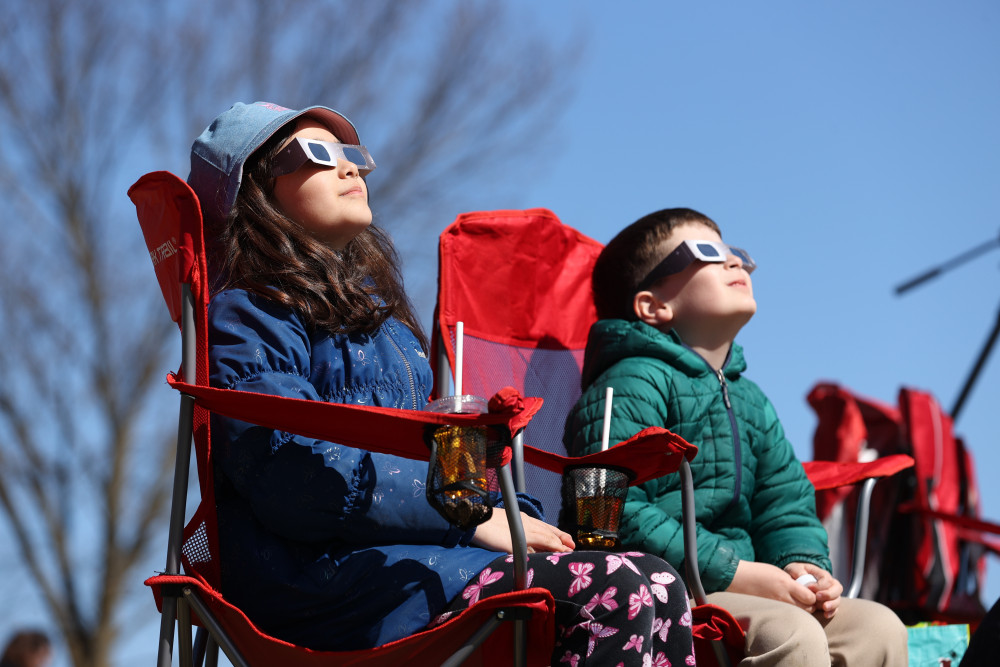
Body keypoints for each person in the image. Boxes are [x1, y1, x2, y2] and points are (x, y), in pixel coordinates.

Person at [187, 101, 696, 665]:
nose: (352, 168)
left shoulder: (384, 323)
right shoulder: (250, 314)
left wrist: (513, 509)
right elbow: (293, 474)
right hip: (311, 575)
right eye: (318, 153)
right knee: (617, 592)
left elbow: (442, 465)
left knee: (658, 583)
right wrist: (474, 517)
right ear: (252, 191)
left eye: (352, 154)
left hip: (404, 555)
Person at [564, 207, 909, 666]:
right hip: (657, 592)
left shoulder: (750, 399)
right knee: (791, 634)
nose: (736, 263)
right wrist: (739, 573)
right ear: (653, 306)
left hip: (745, 585)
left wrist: (803, 565)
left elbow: (784, 503)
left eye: (735, 253)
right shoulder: (627, 383)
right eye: (705, 253)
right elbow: (609, 511)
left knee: (878, 627)